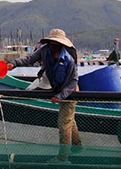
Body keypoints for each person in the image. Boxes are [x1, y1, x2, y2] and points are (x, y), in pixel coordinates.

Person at [8, 28, 81, 159]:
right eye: (51, 43)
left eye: (55, 44)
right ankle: (77, 148)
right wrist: (14, 64)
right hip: (57, 88)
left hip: (70, 91)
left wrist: (61, 96)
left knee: (64, 122)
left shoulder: (69, 59)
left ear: (61, 45)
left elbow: (73, 81)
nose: (52, 46)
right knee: (69, 120)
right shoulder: (44, 50)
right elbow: (30, 59)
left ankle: (63, 157)